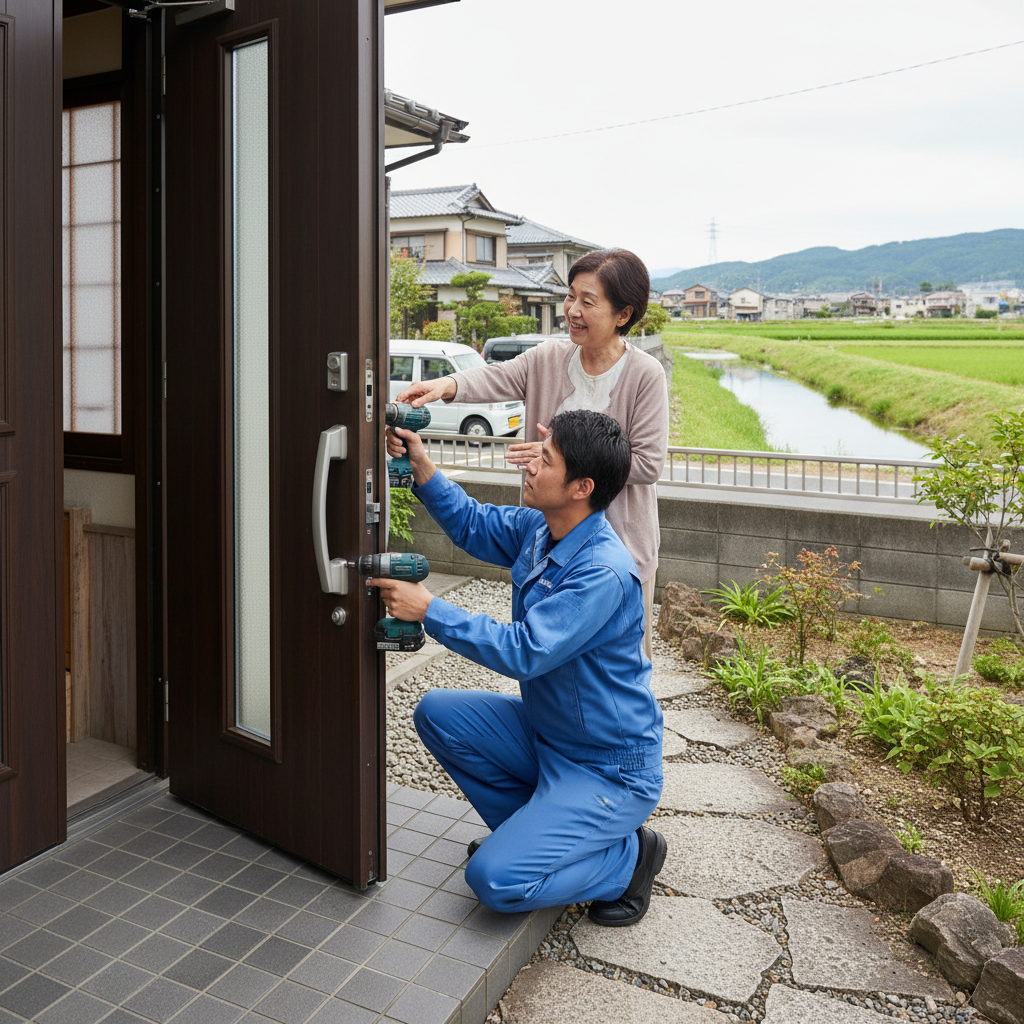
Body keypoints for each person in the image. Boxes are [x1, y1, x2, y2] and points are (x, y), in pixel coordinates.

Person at [371, 409, 667, 926]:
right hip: (547, 737)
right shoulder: (541, 528)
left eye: (544, 460)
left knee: (495, 880)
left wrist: (430, 609)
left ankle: (628, 861)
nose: (529, 466)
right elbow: (471, 523)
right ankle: (533, 833)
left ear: (582, 487)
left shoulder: (601, 571)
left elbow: (524, 650)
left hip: (607, 767)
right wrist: (421, 465)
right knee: (438, 713)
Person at [395, 248, 668, 658]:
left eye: (588, 302)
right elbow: (497, 376)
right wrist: (443, 387)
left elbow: (647, 463)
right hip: (552, 535)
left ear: (623, 315)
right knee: (544, 655)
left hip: (620, 547)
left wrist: (558, 452)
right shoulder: (549, 357)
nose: (572, 310)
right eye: (570, 296)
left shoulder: (644, 374)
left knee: (618, 665)